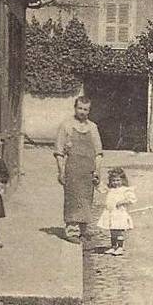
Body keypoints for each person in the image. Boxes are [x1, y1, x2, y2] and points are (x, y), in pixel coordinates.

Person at [54, 96, 104, 243]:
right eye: (80, 108)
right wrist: (61, 171)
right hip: (72, 170)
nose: (82, 112)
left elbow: (98, 153)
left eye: (86, 109)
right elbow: (59, 152)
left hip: (88, 170)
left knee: (87, 200)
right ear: (75, 108)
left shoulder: (93, 127)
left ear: (89, 111)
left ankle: (83, 230)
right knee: (72, 200)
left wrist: (98, 172)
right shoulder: (66, 126)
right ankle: (71, 232)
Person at [97, 167, 137, 256]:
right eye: (113, 180)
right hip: (110, 212)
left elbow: (132, 199)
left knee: (119, 231)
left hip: (119, 214)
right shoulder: (110, 189)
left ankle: (120, 247)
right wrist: (97, 183)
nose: (116, 183)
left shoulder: (125, 190)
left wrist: (123, 201)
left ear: (123, 180)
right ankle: (113, 246)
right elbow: (101, 190)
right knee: (112, 232)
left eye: (118, 180)